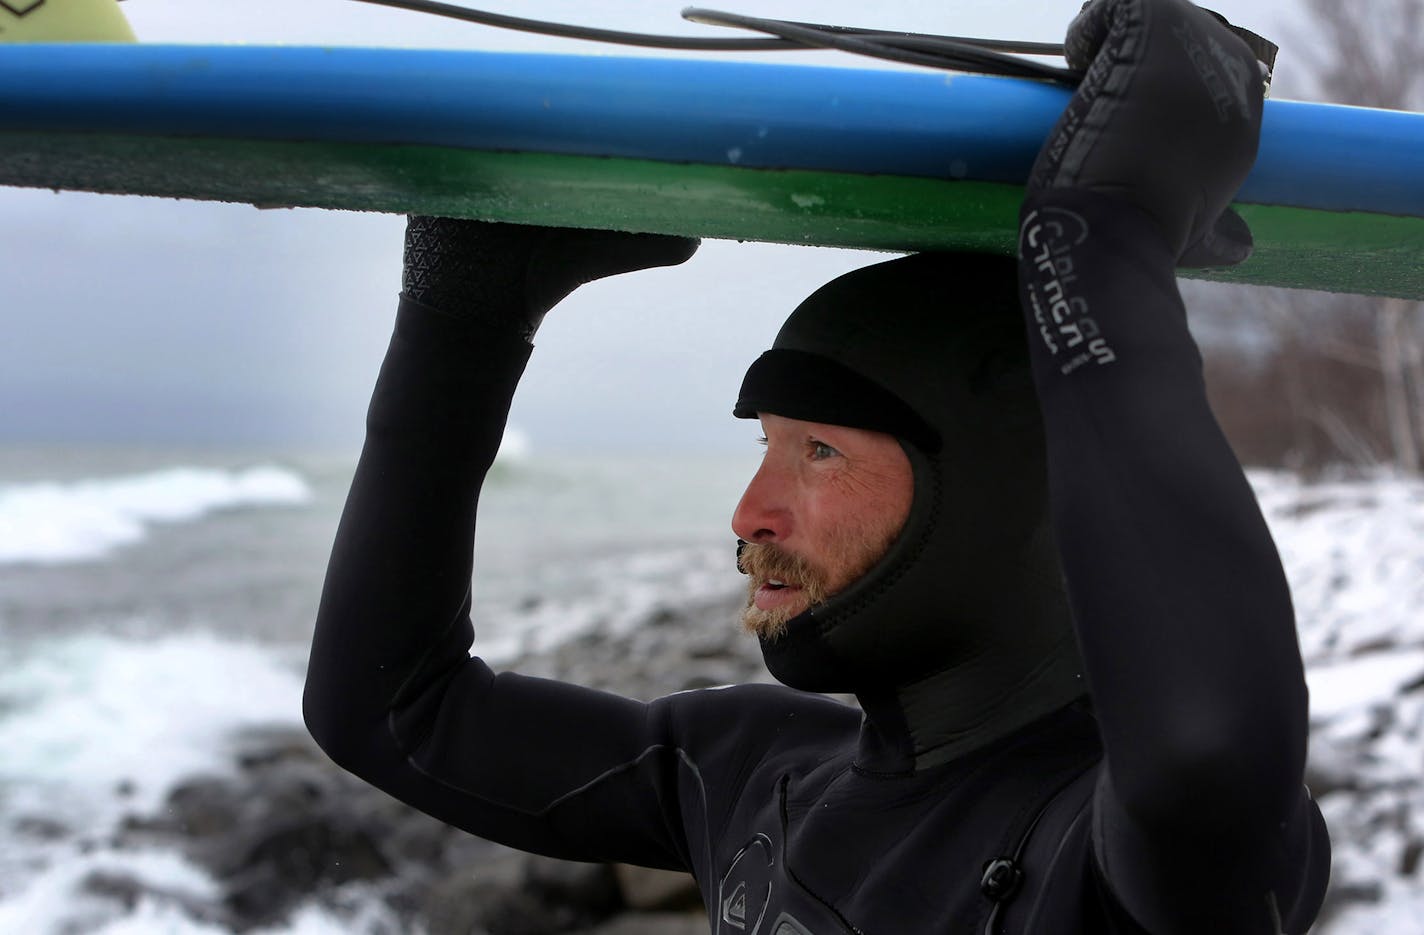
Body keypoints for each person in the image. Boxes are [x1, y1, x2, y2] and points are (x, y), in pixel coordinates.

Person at [304, 0, 1331, 931]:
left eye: (820, 451)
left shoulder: (1118, 851)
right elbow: (390, 710)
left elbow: (1205, 757)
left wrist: (1097, 238)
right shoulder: (753, 771)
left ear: (1003, 484)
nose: (749, 512)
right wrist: (464, 314)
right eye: (766, 447)